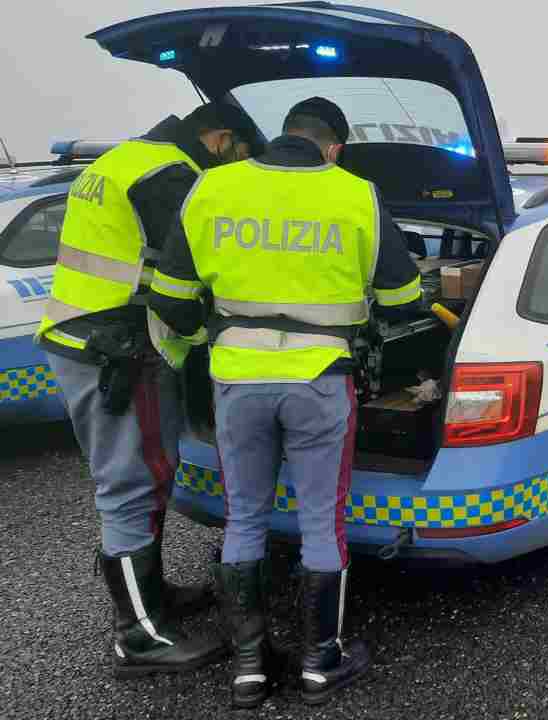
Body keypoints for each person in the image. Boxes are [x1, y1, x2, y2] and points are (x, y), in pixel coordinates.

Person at [148, 97, 427, 708]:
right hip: (319, 382)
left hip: (237, 382)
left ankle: (249, 667)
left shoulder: (212, 189)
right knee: (319, 522)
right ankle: (319, 663)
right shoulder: (355, 193)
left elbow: (168, 299)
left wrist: (212, 339)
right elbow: (406, 296)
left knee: (243, 517)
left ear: (283, 136)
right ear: (333, 148)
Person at [35, 103, 257, 678]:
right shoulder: (170, 173)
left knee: (146, 472)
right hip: (116, 348)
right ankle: (139, 637)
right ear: (222, 139)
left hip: (84, 335)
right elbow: (190, 272)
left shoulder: (124, 158)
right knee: (130, 483)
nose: (233, 170)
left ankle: (154, 597)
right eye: (239, 157)